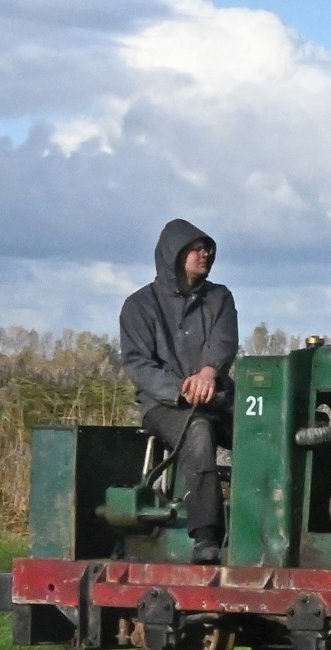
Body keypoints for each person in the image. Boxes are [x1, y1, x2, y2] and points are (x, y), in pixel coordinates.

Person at [117, 219, 237, 564]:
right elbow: (138, 364)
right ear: (174, 254)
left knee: (266, 431)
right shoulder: (139, 305)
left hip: (218, 400)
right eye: (196, 249)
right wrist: (180, 390)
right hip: (163, 405)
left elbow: (223, 342)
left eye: (207, 248)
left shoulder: (220, 298)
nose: (205, 254)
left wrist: (209, 373)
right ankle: (206, 536)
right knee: (196, 430)